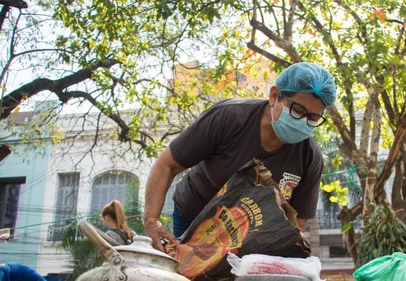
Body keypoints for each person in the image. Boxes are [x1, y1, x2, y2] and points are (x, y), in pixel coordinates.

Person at [144, 62, 336, 250]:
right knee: (186, 278)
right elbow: (167, 165)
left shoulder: (309, 156)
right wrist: (152, 221)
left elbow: (296, 223)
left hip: (249, 240)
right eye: (298, 111)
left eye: (313, 118)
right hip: (194, 217)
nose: (303, 122)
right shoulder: (229, 118)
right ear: (274, 96)